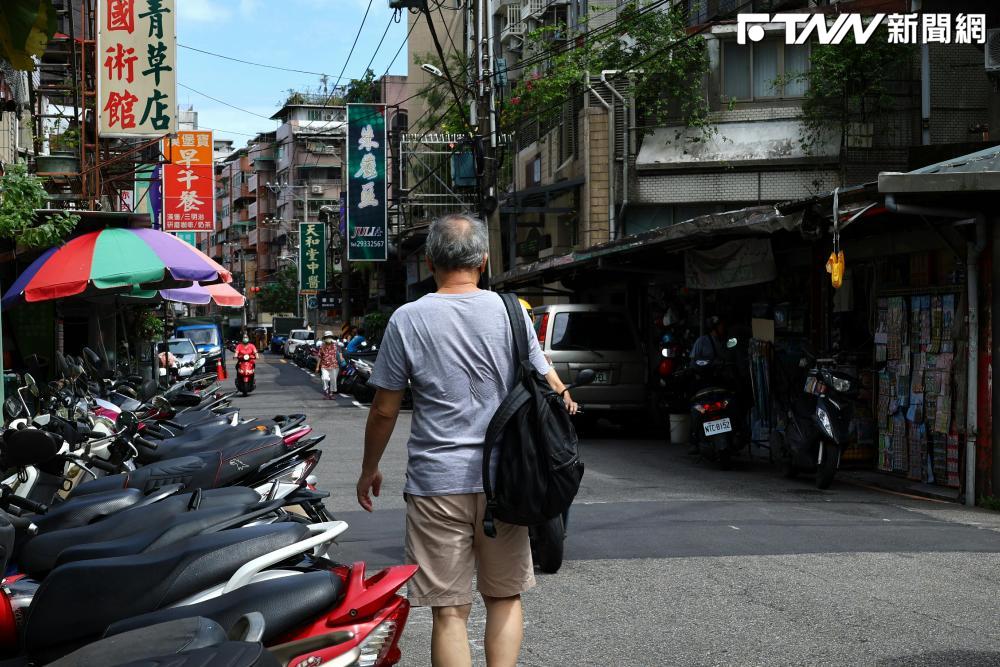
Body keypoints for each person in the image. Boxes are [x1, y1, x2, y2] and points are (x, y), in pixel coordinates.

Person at [356, 213, 577, 667]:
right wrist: (567, 406)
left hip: (437, 483)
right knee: (505, 597)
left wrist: (368, 468)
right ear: (484, 259)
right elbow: (548, 380)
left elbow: (384, 408)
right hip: (508, 480)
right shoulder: (513, 312)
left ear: (431, 260)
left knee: (450, 611)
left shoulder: (407, 319)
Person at [315, 331, 343, 399]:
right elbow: (319, 357)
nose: (328, 338)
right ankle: (326, 392)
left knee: (333, 380)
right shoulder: (322, 346)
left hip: (334, 366)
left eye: (329, 337)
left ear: (331, 337)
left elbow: (340, 353)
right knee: (325, 378)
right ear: (325, 338)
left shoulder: (336, 346)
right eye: (327, 337)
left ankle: (331, 394)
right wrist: (317, 367)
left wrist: (341, 358)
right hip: (324, 366)